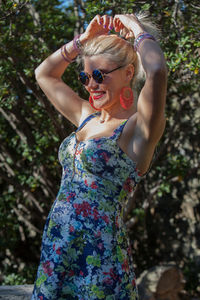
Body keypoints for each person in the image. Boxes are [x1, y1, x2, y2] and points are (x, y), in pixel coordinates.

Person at [31, 13, 167, 300]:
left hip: (100, 256)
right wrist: (82, 41)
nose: (91, 84)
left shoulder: (137, 129)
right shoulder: (85, 116)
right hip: (58, 248)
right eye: (85, 76)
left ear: (128, 73)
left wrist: (136, 28)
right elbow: (43, 73)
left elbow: (156, 71)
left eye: (99, 75)